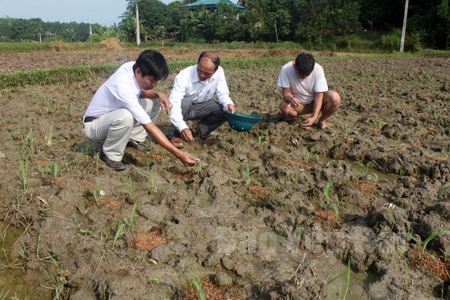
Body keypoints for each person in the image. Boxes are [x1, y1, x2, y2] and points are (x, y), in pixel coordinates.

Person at [82, 49, 199, 171]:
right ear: (138, 72)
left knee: (153, 101)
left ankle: (132, 138)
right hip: (94, 125)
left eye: (157, 81)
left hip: (111, 117)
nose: (154, 85)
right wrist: (179, 154)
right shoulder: (122, 86)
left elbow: (139, 92)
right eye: (151, 80)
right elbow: (148, 126)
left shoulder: (132, 67)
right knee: (125, 116)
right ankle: (111, 155)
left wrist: (158, 94)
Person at [168, 52, 235, 148]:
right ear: (197, 64)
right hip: (185, 108)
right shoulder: (184, 75)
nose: (202, 75)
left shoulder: (219, 72)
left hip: (202, 107)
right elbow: (173, 103)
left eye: (207, 73)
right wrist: (183, 127)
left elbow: (222, 94)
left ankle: (202, 129)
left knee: (225, 109)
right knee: (184, 103)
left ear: (215, 71)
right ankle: (176, 133)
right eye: (199, 70)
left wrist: (228, 103)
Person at [278, 53, 340, 129]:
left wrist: (314, 117)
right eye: (301, 74)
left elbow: (319, 96)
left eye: (307, 74)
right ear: (295, 67)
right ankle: (298, 120)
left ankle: (322, 121)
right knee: (284, 107)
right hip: (298, 105)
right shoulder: (286, 69)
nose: (304, 77)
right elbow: (286, 93)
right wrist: (291, 99)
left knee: (335, 97)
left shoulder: (318, 69)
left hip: (315, 102)